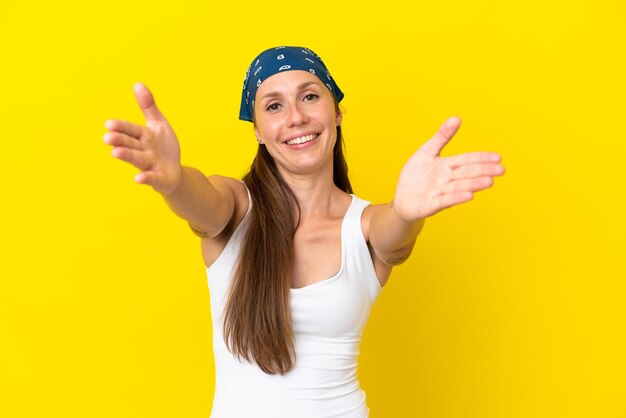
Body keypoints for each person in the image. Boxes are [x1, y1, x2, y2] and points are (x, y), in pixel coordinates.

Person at [103, 46, 505, 417]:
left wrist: (407, 212)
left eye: (310, 96)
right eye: (274, 106)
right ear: (258, 131)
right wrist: (173, 181)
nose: (295, 117)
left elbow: (394, 235)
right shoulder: (237, 208)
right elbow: (203, 202)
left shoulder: (364, 226)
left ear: (337, 113)